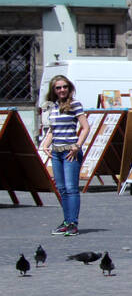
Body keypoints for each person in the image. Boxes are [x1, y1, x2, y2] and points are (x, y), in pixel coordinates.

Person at [38, 75, 89, 238]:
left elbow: (85, 127)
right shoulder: (53, 107)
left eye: (64, 87)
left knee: (71, 188)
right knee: (61, 188)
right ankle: (66, 221)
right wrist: (46, 144)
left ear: (69, 88)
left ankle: (73, 223)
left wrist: (77, 146)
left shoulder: (74, 104)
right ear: (53, 90)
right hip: (56, 151)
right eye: (58, 87)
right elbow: (53, 129)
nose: (62, 90)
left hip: (70, 152)